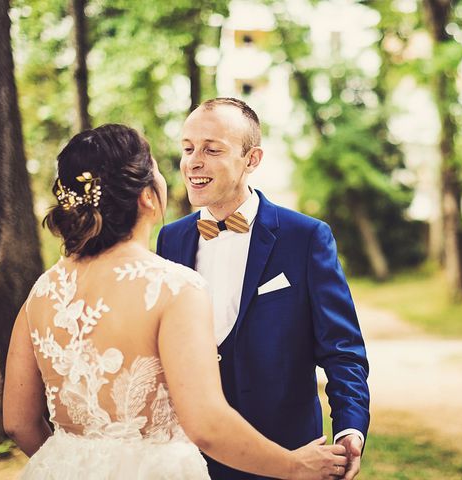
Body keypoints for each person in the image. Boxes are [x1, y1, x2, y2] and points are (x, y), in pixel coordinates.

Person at [2, 124, 349, 479]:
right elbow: (206, 424)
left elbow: (18, 422)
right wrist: (292, 466)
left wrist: (74, 463)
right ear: (147, 196)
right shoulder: (174, 286)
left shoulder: (43, 291)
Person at [157, 98, 370, 480]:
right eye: (187, 149)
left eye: (212, 149)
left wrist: (349, 428)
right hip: (191, 458)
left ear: (251, 160)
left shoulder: (306, 237)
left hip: (288, 454)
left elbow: (342, 350)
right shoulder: (170, 240)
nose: (193, 162)